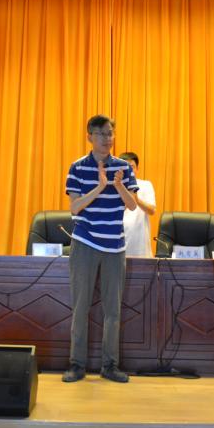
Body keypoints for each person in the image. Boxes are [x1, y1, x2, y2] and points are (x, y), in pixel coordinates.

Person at [63, 115, 139, 384]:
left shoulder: (123, 168)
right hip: (85, 243)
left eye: (110, 134)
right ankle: (76, 365)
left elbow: (132, 205)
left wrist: (117, 185)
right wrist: (99, 186)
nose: (107, 139)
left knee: (113, 310)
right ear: (89, 137)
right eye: (102, 134)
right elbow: (75, 207)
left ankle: (110, 365)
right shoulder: (77, 167)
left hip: (115, 245)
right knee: (80, 307)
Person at [118, 151, 156, 257]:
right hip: (118, 245)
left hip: (140, 247)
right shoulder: (115, 186)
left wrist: (137, 200)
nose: (128, 171)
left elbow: (152, 210)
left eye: (132, 167)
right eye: (125, 168)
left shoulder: (145, 185)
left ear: (137, 169)